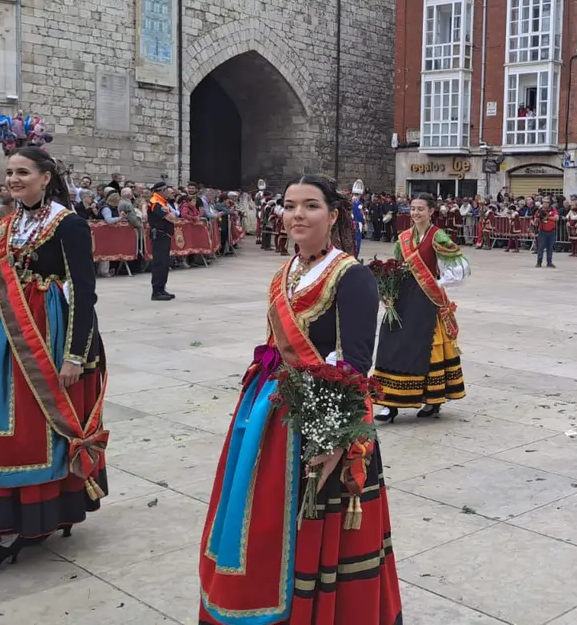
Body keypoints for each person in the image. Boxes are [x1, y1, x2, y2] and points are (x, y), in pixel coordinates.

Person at [199, 175, 402, 625]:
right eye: (290, 206)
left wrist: (334, 441)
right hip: (270, 410)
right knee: (261, 516)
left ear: (333, 216)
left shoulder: (352, 276)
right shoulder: (284, 272)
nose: (297, 215)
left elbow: (354, 365)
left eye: (310, 206)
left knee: (308, 525)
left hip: (322, 419)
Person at [0, 146, 108, 574]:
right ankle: (4, 524)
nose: (13, 179)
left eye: (23, 172)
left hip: (48, 334)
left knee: (35, 425)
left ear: (46, 177)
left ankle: (37, 518)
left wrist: (75, 353)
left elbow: (83, 289)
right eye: (9, 173)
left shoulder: (69, 224)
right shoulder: (6, 226)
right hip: (4, 334)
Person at [374, 192, 470, 422]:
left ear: (431, 211)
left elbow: (460, 266)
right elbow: (396, 266)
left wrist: (439, 283)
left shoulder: (439, 237)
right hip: (403, 297)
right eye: (413, 208)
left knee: (426, 346)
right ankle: (389, 402)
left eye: (420, 209)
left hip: (427, 298)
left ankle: (432, 399)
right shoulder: (403, 237)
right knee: (391, 342)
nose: (415, 213)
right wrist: (387, 290)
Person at [147, 182, 177, 301]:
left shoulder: (163, 202)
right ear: (161, 190)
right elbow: (171, 217)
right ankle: (156, 291)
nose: (168, 192)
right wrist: (172, 215)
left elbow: (174, 216)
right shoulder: (156, 202)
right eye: (166, 190)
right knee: (159, 263)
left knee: (165, 263)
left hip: (165, 235)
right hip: (159, 235)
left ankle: (161, 288)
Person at [535, 198, 559, 268]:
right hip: (542, 231)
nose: (545, 204)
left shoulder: (553, 210)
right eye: (544, 202)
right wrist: (539, 218)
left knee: (550, 248)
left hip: (551, 231)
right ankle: (539, 262)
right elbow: (536, 219)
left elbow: (557, 218)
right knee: (540, 247)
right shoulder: (539, 210)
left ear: (549, 203)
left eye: (547, 202)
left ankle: (549, 262)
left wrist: (547, 217)